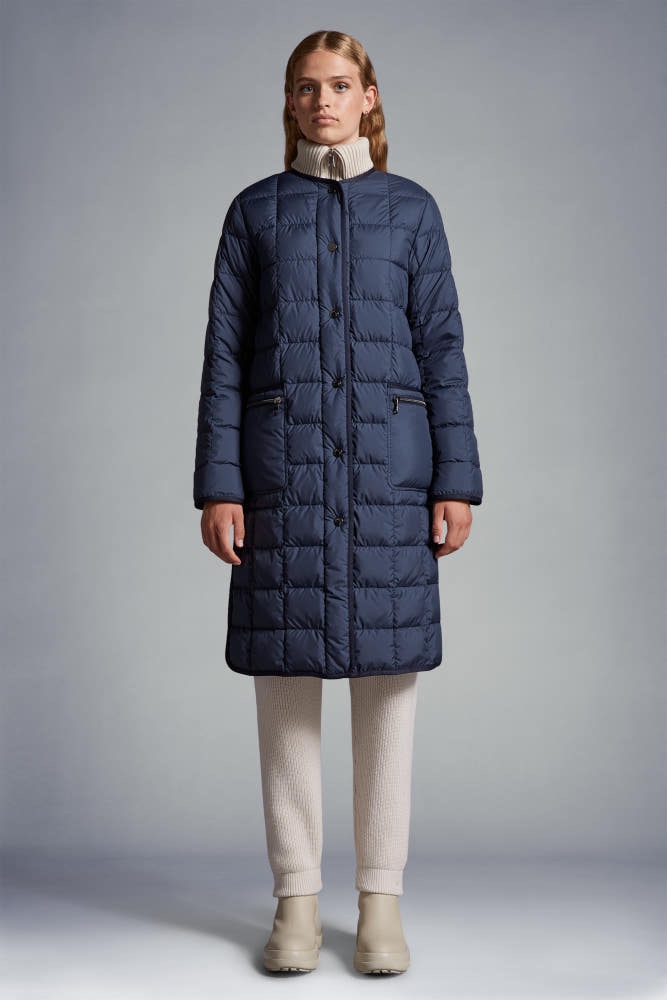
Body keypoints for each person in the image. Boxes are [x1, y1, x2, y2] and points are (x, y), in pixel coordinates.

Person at [193, 29, 483, 975]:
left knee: (388, 687)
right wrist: (219, 485)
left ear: (369, 97)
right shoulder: (254, 213)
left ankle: (380, 903)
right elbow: (224, 361)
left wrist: (455, 479)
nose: (323, 101)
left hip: (390, 481)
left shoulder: (412, 211)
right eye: (307, 87)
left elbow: (441, 351)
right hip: (283, 478)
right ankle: (295, 903)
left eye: (340, 84)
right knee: (284, 686)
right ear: (289, 102)